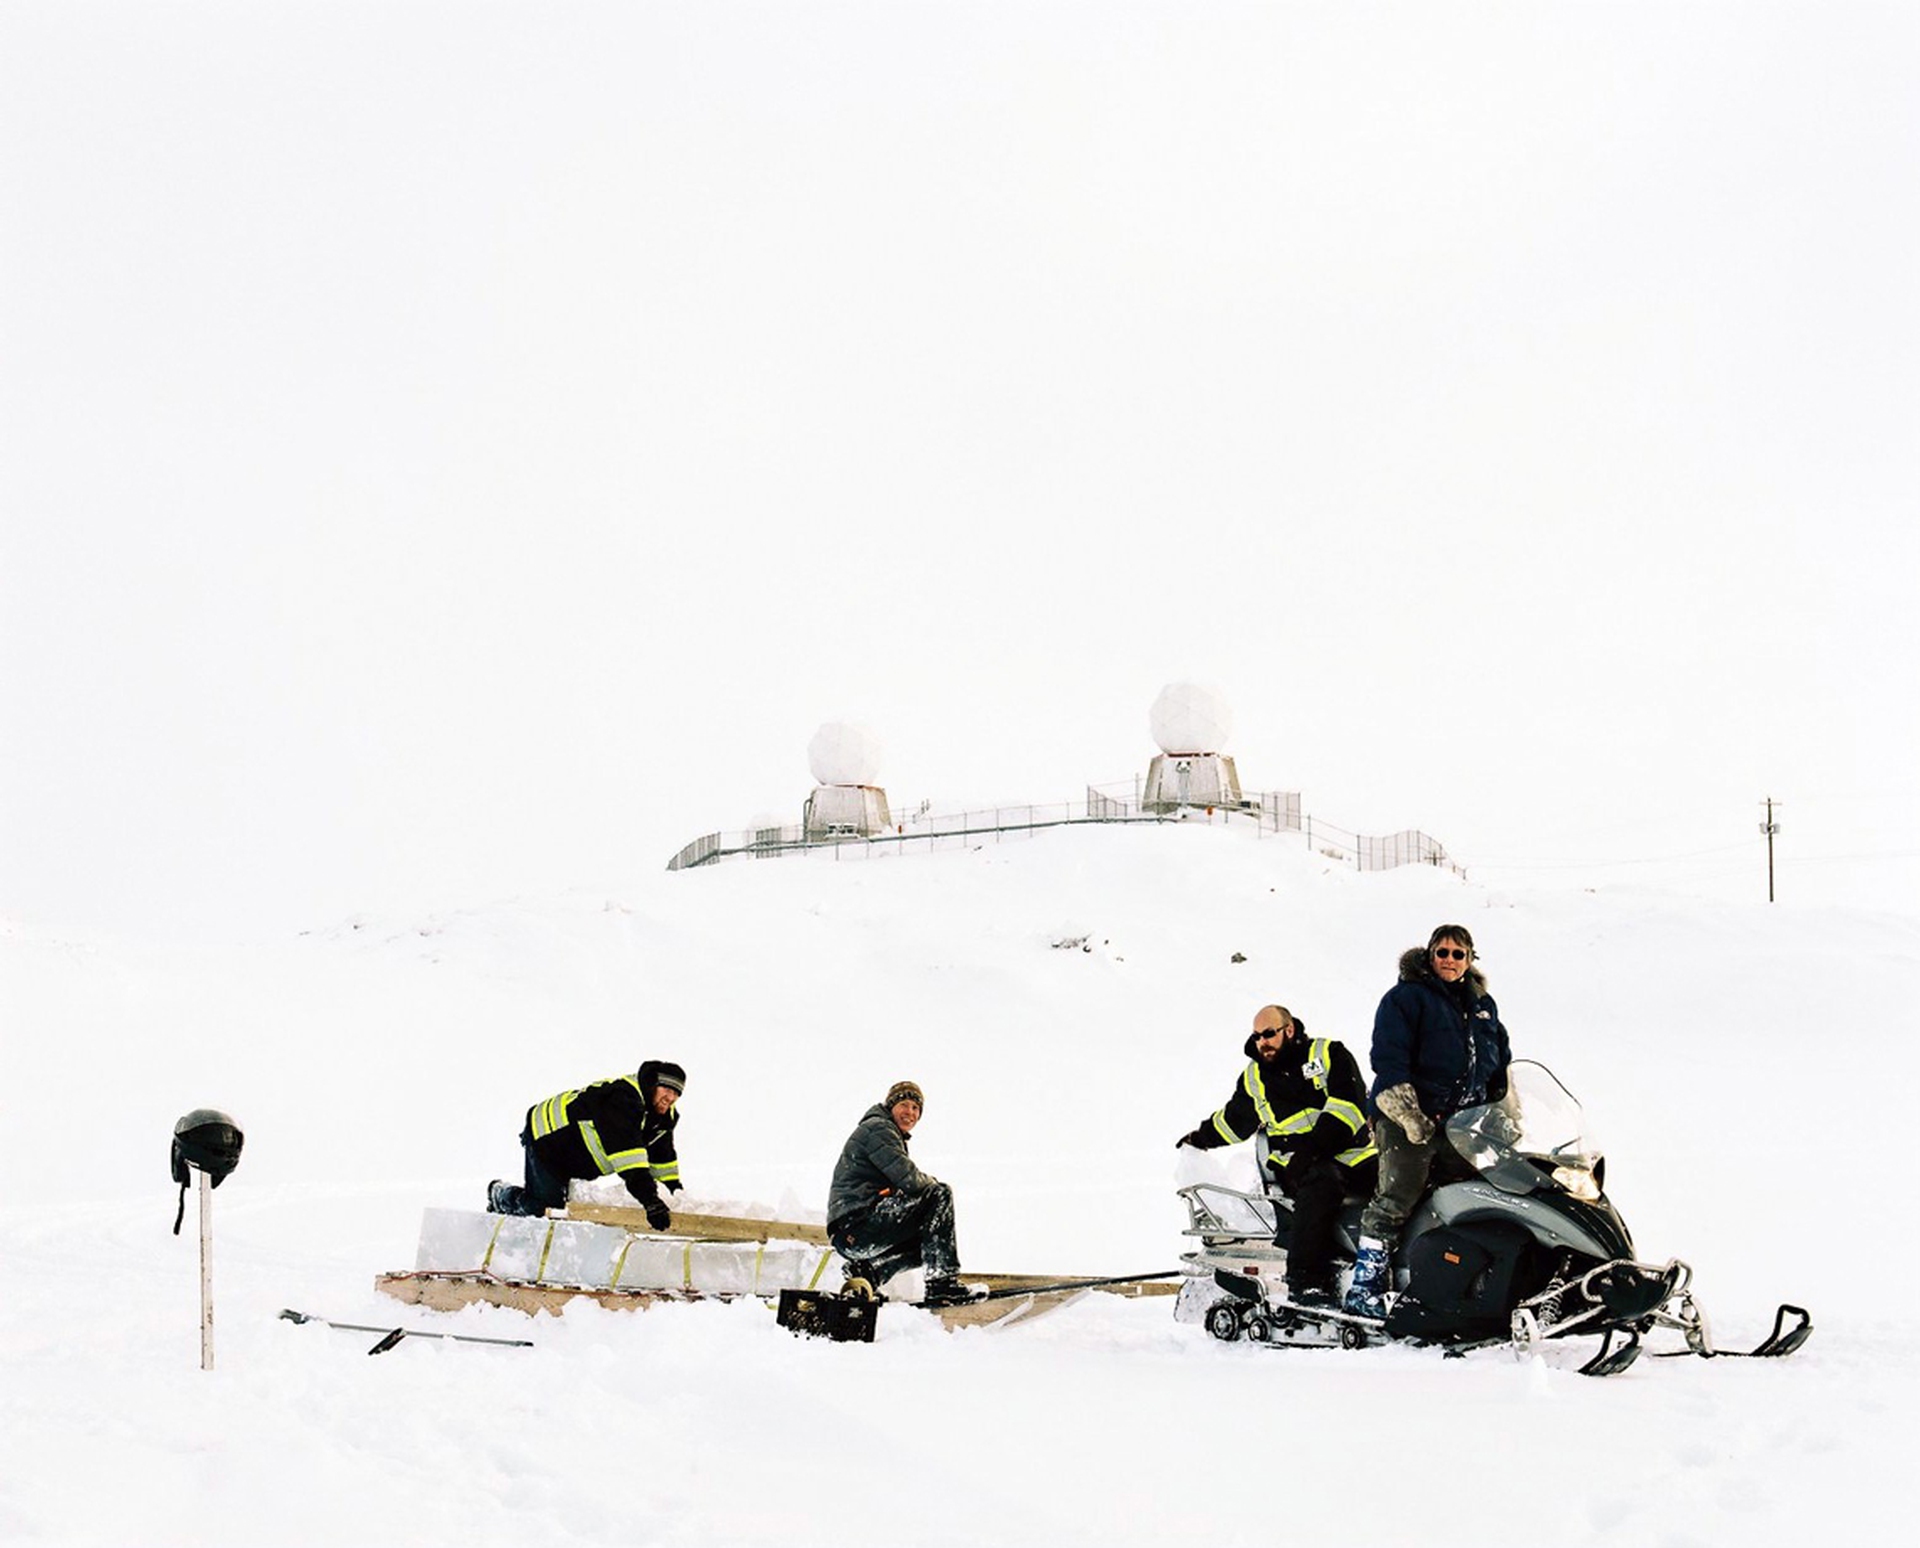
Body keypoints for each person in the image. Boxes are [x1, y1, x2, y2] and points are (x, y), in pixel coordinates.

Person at [1345, 925, 1512, 1316]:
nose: (1449, 960)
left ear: (1470, 959)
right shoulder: (1406, 998)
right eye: (1442, 952)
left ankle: (1450, 1278)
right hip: (1409, 1118)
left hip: (1462, 1122)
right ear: (1430, 955)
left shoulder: (1483, 1005)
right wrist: (1408, 1115)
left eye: (1458, 954)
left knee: (1472, 1194)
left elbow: (1499, 1063)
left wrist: (1503, 1113)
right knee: (1399, 1194)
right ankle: (1365, 1286)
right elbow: (1389, 1059)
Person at [1176, 1004, 1378, 1307]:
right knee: (1321, 1185)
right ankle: (1306, 1282)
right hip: (1295, 1163)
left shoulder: (1328, 1054)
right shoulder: (1255, 1077)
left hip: (1353, 1154)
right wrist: (1201, 1137)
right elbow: (1235, 1120)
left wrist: (1315, 1148)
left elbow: (1348, 1108)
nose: (1262, 1043)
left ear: (1289, 1030)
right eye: (1257, 1037)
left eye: (1269, 1034)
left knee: (1399, 1186)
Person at [826, 1080, 980, 1308]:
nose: (910, 1112)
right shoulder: (878, 1128)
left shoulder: (886, 1132)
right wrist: (933, 1183)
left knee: (931, 1240)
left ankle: (869, 1273)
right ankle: (942, 1282)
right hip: (855, 1225)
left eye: (916, 1108)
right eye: (904, 1105)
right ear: (891, 1106)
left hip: (854, 1231)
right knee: (940, 1193)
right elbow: (910, 1179)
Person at [487, 1060, 687, 1228]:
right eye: (667, 1089)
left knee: (565, 1209)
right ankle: (500, 1195)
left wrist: (675, 1196)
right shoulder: (622, 1100)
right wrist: (651, 1202)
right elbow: (630, 1161)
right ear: (652, 1085)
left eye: (677, 1093)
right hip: (550, 1142)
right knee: (546, 1208)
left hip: (576, 1155)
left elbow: (663, 1160)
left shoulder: (663, 1119)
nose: (671, 1098)